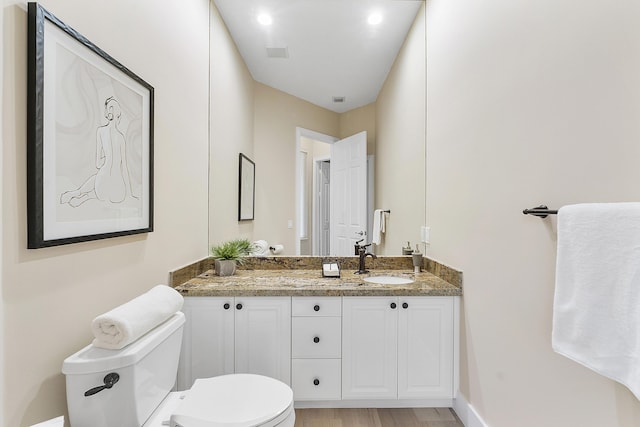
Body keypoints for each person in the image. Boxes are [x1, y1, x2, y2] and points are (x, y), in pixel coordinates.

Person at [60, 97, 137, 207]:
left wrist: (107, 159)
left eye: (112, 106)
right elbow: (124, 167)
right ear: (118, 112)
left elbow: (98, 164)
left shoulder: (101, 131)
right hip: (118, 190)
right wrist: (129, 194)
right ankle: (84, 196)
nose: (112, 108)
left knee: (100, 178)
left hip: (103, 185)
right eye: (111, 106)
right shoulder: (120, 138)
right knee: (104, 183)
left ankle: (80, 193)